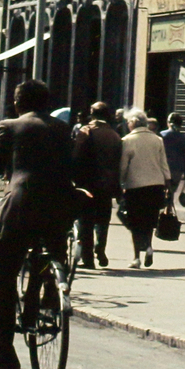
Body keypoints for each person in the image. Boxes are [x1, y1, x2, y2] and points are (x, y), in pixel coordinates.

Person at [0, 79, 78, 369]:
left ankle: (5, 349)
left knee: (3, 273)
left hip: (21, 204)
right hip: (58, 207)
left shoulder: (10, 126)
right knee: (50, 258)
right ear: (46, 103)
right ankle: (42, 300)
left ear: (18, 103)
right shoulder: (62, 128)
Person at [72, 102, 123, 268]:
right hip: (107, 184)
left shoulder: (86, 131)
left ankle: (88, 259)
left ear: (92, 114)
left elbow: (76, 157)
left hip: (87, 183)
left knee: (86, 221)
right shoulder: (115, 135)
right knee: (103, 219)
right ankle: (100, 248)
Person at [119, 109, 170, 268]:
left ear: (133, 122)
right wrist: (167, 183)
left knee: (134, 221)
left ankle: (136, 257)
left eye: (128, 122)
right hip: (155, 186)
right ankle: (148, 246)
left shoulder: (127, 140)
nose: (127, 124)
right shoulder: (157, 140)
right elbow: (164, 164)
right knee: (149, 219)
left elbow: (123, 166)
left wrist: (121, 182)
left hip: (135, 186)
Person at [161, 112, 185, 214]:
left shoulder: (162, 135)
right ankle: (167, 211)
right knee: (171, 192)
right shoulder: (183, 138)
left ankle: (161, 212)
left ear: (169, 122)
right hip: (177, 170)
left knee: (161, 191)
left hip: (163, 169)